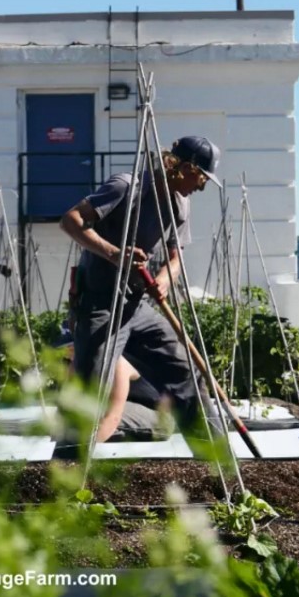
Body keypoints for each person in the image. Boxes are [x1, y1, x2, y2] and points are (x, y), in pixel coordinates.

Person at [60, 136, 227, 442]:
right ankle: (65, 478)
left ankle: (220, 463)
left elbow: (176, 257)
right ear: (181, 167)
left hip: (136, 306)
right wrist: (114, 253)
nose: (201, 186)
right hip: (99, 304)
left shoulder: (180, 204)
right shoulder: (126, 187)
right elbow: (71, 221)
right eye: (201, 177)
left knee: (184, 374)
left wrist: (164, 278)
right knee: (90, 393)